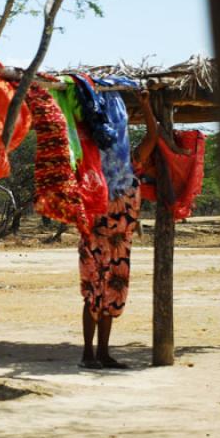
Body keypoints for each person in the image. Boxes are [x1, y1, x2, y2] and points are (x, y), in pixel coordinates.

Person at [78, 90, 157, 369]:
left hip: (120, 245)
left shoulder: (132, 165)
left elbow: (152, 138)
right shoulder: (94, 164)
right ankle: (88, 353)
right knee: (92, 295)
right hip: (95, 240)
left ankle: (103, 353)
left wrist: (146, 107)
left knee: (112, 295)